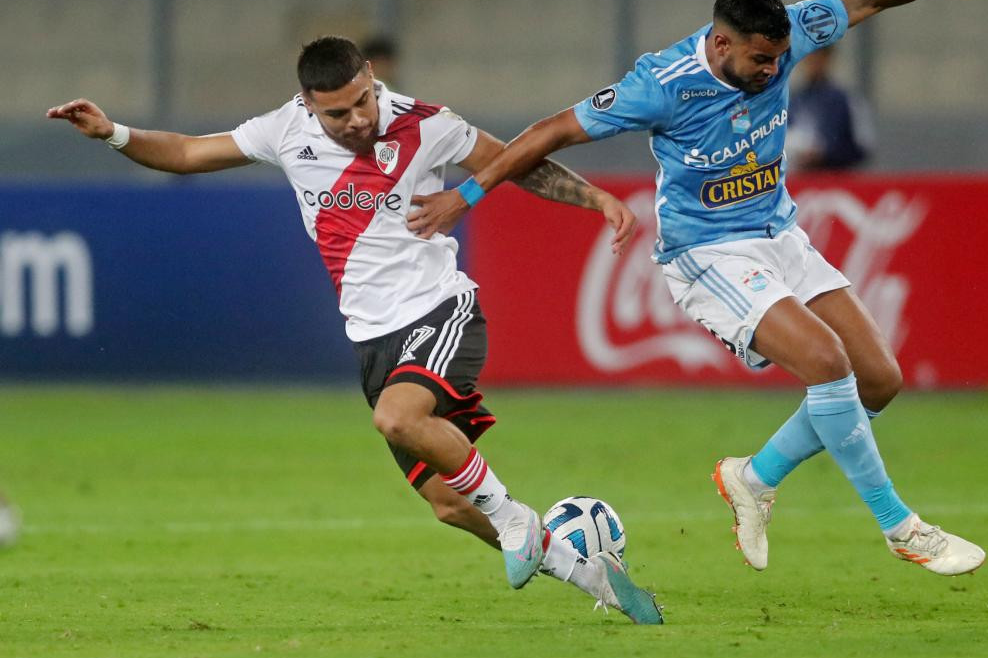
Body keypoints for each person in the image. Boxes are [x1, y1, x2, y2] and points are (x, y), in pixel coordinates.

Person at [408, 0, 988, 576]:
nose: (775, 71)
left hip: (779, 234)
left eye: (781, 58)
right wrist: (465, 195)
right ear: (722, 45)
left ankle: (753, 477)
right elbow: (549, 131)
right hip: (706, 253)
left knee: (879, 380)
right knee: (828, 364)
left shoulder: (791, 36)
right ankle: (900, 527)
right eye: (760, 59)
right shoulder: (660, 86)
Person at [46, 36, 662, 624]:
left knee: (398, 418)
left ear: (371, 76)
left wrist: (596, 199)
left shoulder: (426, 123)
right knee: (449, 504)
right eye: (337, 113)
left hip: (439, 309)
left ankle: (517, 519)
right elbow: (186, 154)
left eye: (362, 101)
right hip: (373, 338)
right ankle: (590, 575)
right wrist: (114, 134)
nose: (356, 120)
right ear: (309, 105)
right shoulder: (284, 130)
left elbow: (515, 162)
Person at [785, 44, 874, 171]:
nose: (813, 62)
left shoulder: (845, 100)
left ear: (828, 59)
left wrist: (825, 155)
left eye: (818, 57)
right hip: (801, 181)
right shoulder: (793, 100)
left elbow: (862, 146)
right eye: (809, 57)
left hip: (837, 181)